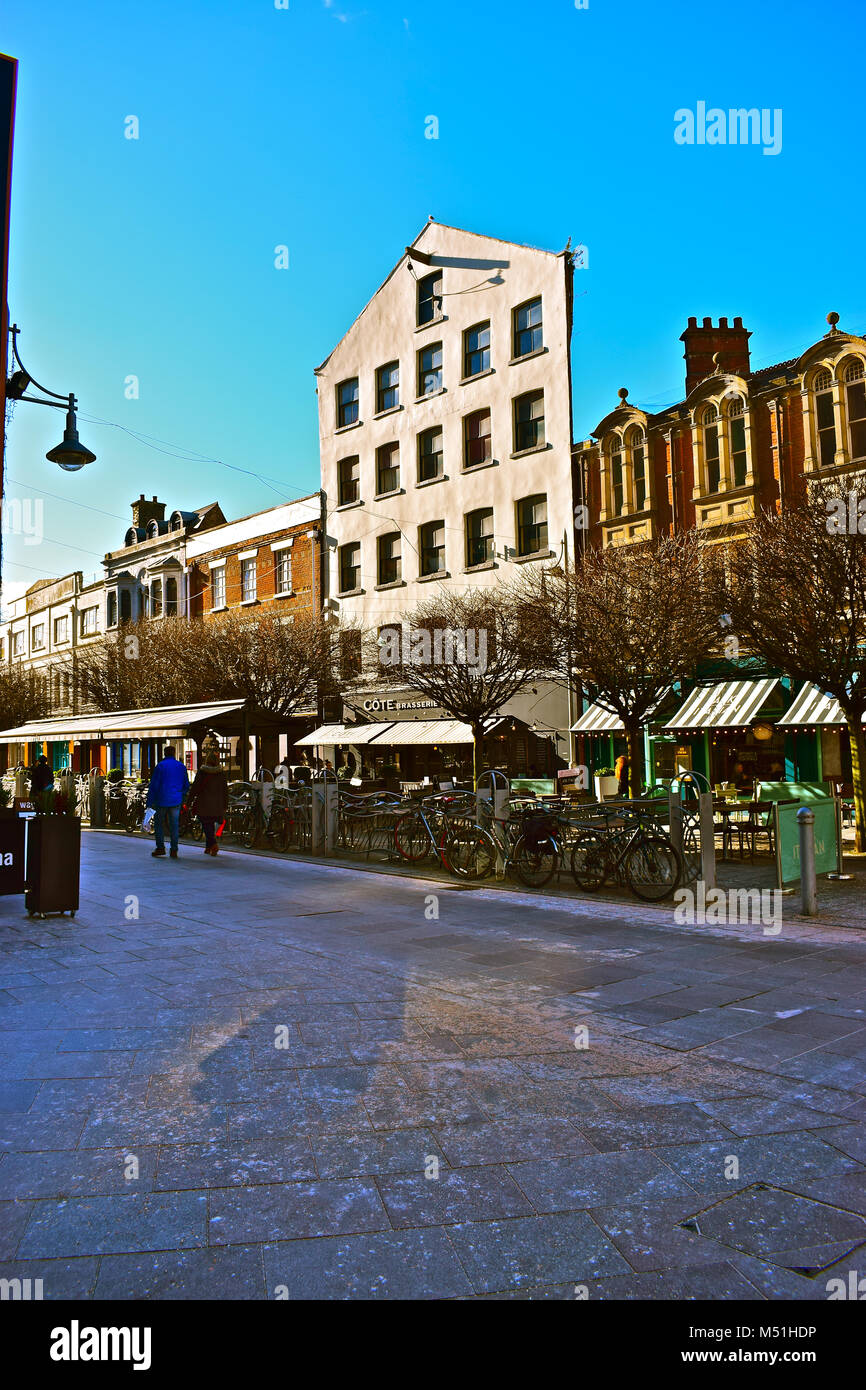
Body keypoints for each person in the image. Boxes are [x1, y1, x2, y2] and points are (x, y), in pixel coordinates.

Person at [146, 745, 190, 859]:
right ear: (174, 753)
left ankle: (160, 848)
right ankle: (174, 850)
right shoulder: (181, 766)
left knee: (159, 824)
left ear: (164, 753)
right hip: (176, 800)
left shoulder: (160, 766)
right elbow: (186, 785)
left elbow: (154, 785)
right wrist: (181, 794)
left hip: (161, 799)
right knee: (174, 825)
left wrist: (149, 802)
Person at [187, 749, 228, 857]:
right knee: (210, 824)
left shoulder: (202, 772)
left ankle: (213, 844)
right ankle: (208, 847)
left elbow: (195, 788)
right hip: (218, 803)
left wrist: (189, 801)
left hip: (203, 803)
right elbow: (225, 790)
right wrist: (225, 804)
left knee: (206, 824)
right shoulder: (221, 773)